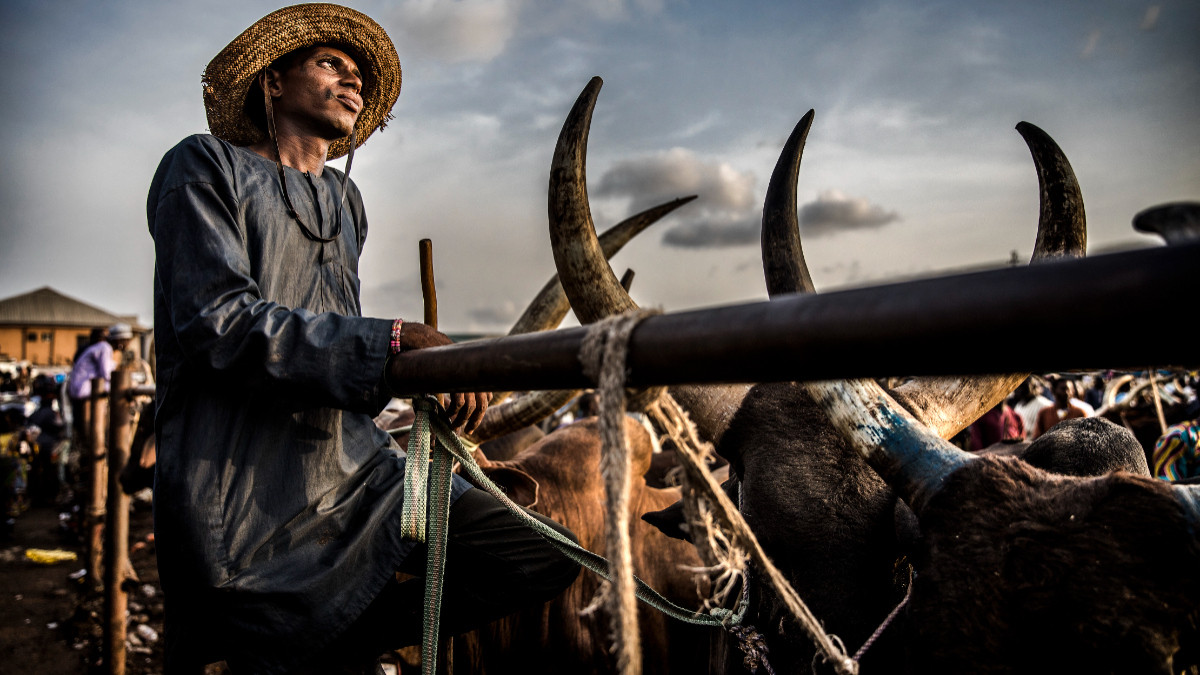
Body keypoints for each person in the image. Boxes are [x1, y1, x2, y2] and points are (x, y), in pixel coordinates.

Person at [147, 6, 579, 674]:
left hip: (356, 477)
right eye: (330, 65)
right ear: (272, 82)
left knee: (542, 553)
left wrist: (419, 392)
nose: (352, 84)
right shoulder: (204, 166)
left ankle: (341, 635)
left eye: (358, 76)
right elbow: (221, 325)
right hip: (239, 495)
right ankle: (312, 637)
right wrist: (397, 340)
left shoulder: (347, 206)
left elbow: (334, 333)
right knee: (230, 631)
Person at [67, 324, 133, 439]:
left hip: (82, 387)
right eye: (127, 340)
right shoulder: (105, 348)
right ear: (119, 340)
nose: (128, 344)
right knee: (120, 387)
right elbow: (106, 373)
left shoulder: (103, 347)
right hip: (83, 388)